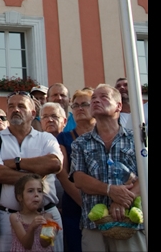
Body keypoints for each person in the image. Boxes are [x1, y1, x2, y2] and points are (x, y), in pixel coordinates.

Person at [0, 91, 64, 252]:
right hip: (7, 219)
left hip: (46, 216)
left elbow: (55, 164)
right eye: (11, 106)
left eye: (21, 106)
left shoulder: (46, 138)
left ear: (33, 113)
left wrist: (17, 163)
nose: (16, 110)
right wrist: (35, 179)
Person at [70, 85, 145, 252]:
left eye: (103, 97)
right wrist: (110, 190)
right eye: (93, 98)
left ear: (118, 106)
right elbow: (79, 179)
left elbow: (146, 175)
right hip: (95, 226)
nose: (96, 100)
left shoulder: (137, 140)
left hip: (131, 224)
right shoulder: (80, 143)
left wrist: (122, 200)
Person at [56, 88, 96, 252]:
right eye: (76, 105)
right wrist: (82, 201)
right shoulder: (64, 138)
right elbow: (62, 174)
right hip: (75, 204)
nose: (79, 108)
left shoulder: (104, 136)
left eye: (84, 104)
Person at [9, 174, 54, 251]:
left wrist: (50, 231)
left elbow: (44, 243)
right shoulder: (16, 218)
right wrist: (32, 228)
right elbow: (27, 245)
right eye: (30, 191)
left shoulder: (47, 217)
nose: (36, 194)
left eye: (39, 191)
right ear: (20, 197)